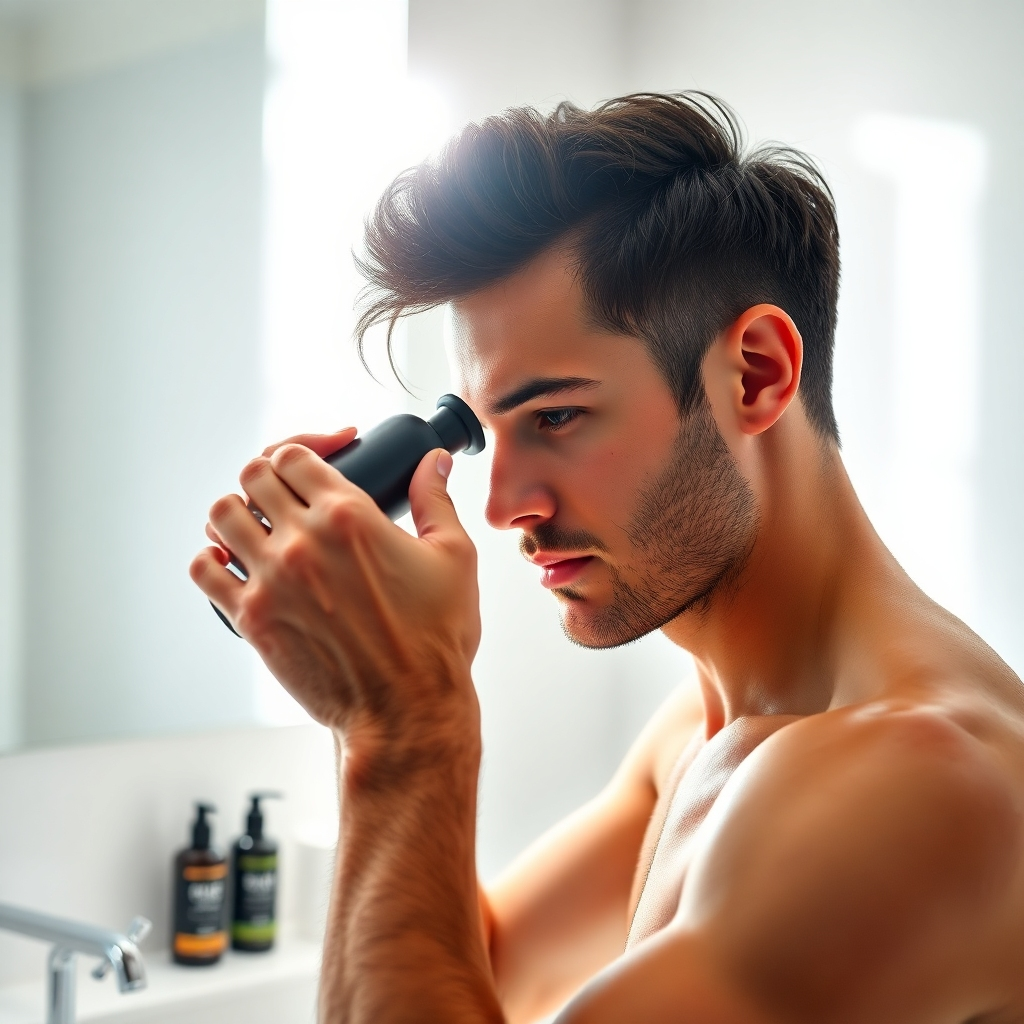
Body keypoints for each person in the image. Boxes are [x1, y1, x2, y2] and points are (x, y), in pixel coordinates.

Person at [190, 93, 1024, 1023]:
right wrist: (361, 679)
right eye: (488, 433)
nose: (505, 507)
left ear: (755, 373)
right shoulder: (709, 725)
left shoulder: (919, 788)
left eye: (556, 417)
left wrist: (407, 726)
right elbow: (490, 962)